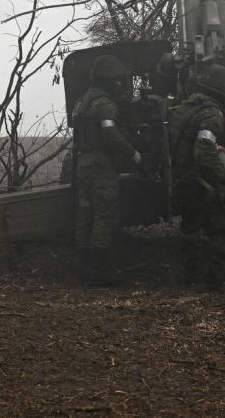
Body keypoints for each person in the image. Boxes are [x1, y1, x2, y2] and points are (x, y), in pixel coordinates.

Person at [169, 64, 225, 289]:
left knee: (191, 226)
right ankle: (214, 281)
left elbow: (190, 142)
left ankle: (186, 277)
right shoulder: (212, 113)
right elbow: (202, 149)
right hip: (201, 180)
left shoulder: (184, 109)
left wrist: (211, 147)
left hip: (184, 178)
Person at [71, 54, 141, 284]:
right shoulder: (104, 103)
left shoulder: (81, 102)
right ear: (108, 79)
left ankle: (82, 265)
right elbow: (110, 134)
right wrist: (133, 153)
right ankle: (95, 270)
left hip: (83, 164)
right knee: (105, 214)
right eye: (117, 80)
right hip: (100, 165)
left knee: (86, 213)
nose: (119, 84)